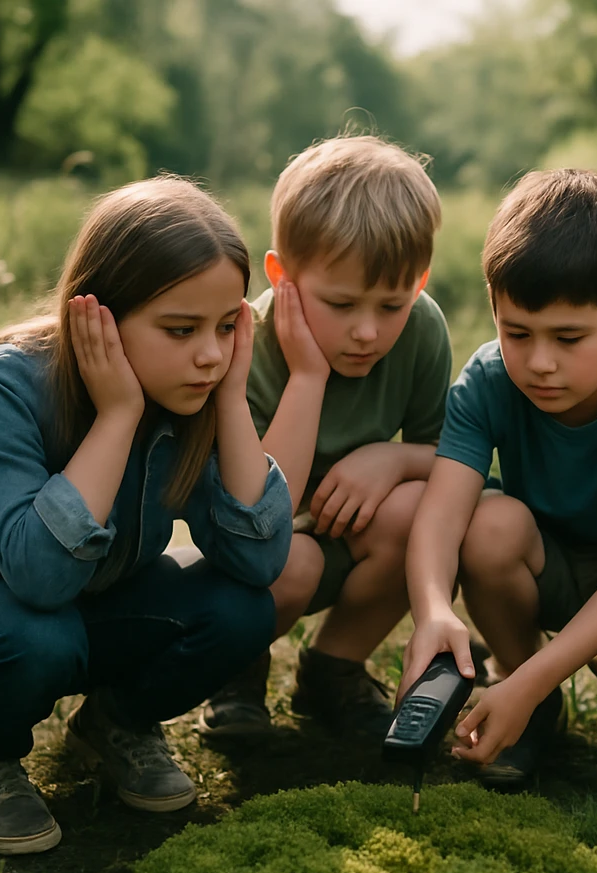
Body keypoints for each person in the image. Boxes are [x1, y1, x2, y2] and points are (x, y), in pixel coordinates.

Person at [0, 177, 294, 855]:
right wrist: (117, 415)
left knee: (243, 609)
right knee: (39, 638)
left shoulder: (198, 391)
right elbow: (39, 578)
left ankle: (114, 725)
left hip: (88, 607)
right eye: (181, 329)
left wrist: (233, 402)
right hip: (2, 620)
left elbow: (259, 561)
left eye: (225, 326)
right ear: (99, 316)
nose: (209, 353)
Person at [400, 168, 597, 786]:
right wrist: (432, 608)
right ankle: (524, 688)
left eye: (569, 338)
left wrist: (540, 675)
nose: (540, 362)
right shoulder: (486, 380)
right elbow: (442, 514)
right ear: (494, 311)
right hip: (547, 560)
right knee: (488, 524)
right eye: (517, 333)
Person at [196, 135, 453, 742]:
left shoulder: (421, 331)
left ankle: (334, 669)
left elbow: (456, 461)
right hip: (255, 553)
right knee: (295, 561)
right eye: (340, 303)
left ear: (419, 282)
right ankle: (235, 671)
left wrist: (392, 458)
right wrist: (308, 377)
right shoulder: (244, 343)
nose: (367, 331)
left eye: (391, 304)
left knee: (425, 508)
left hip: (350, 534)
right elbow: (253, 506)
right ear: (281, 276)